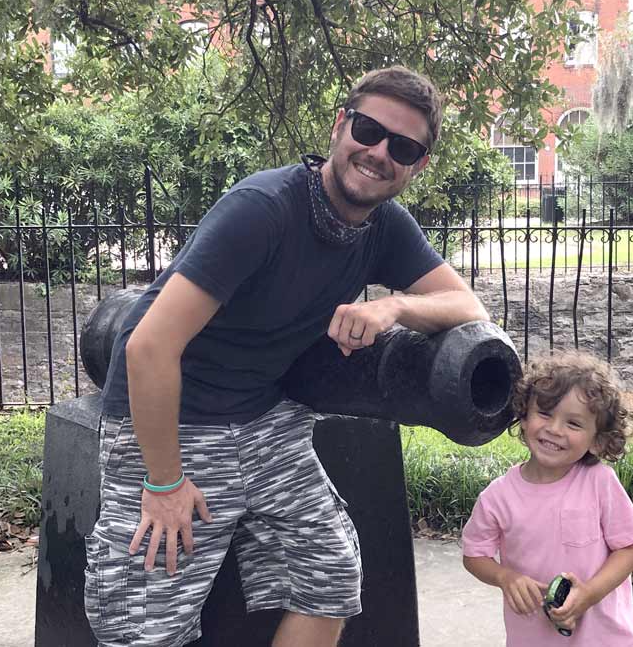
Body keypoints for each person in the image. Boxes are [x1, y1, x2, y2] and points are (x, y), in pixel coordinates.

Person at [83, 66, 489, 647]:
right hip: (173, 425)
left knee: (331, 572)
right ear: (339, 125)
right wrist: (165, 480)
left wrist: (392, 309)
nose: (378, 153)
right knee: (146, 623)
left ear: (417, 165)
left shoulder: (383, 227)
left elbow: (467, 305)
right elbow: (148, 345)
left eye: (402, 146)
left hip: (266, 420)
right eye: (369, 130)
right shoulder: (263, 208)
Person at [461, 350, 633, 646]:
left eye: (574, 424)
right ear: (523, 416)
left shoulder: (599, 482)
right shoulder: (498, 497)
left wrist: (589, 594)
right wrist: (505, 577)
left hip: (604, 638)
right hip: (533, 637)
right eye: (545, 413)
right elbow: (474, 555)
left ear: (597, 440)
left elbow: (629, 549)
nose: (554, 429)